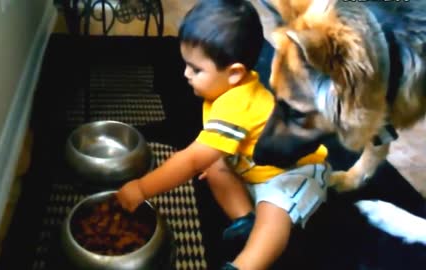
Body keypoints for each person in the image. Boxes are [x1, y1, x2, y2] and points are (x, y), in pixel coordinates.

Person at [117, 0, 330, 269]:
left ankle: (247, 262)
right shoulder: (223, 91)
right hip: (251, 169)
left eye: (196, 69)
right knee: (213, 162)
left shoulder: (237, 104)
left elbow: (191, 160)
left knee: (273, 211)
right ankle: (244, 222)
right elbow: (204, 154)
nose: (185, 74)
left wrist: (142, 188)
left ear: (234, 74)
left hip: (294, 173)